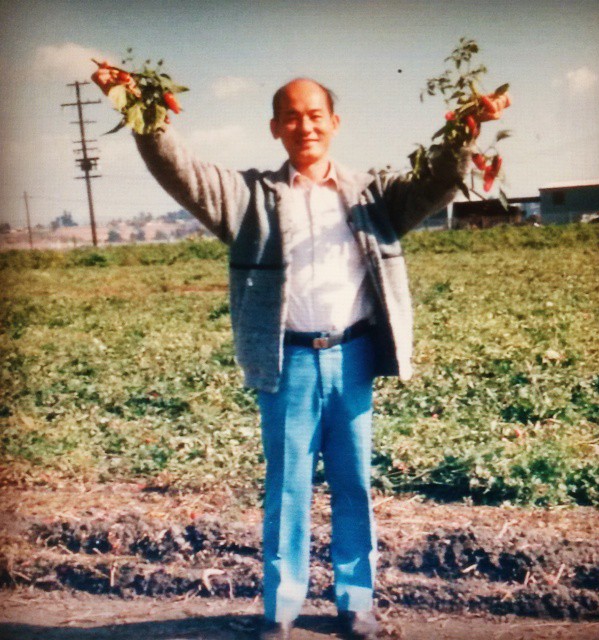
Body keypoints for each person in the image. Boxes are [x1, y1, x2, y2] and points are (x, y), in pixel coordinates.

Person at [95, 73, 469, 639]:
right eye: (291, 116)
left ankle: (357, 602)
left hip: (353, 356)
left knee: (353, 485)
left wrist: (466, 128)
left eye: (315, 115)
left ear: (334, 123)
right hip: (288, 361)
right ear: (275, 128)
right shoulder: (249, 198)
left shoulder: (372, 195)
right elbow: (181, 172)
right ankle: (282, 608)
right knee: (288, 487)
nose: (305, 126)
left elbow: (438, 182)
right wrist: (144, 113)